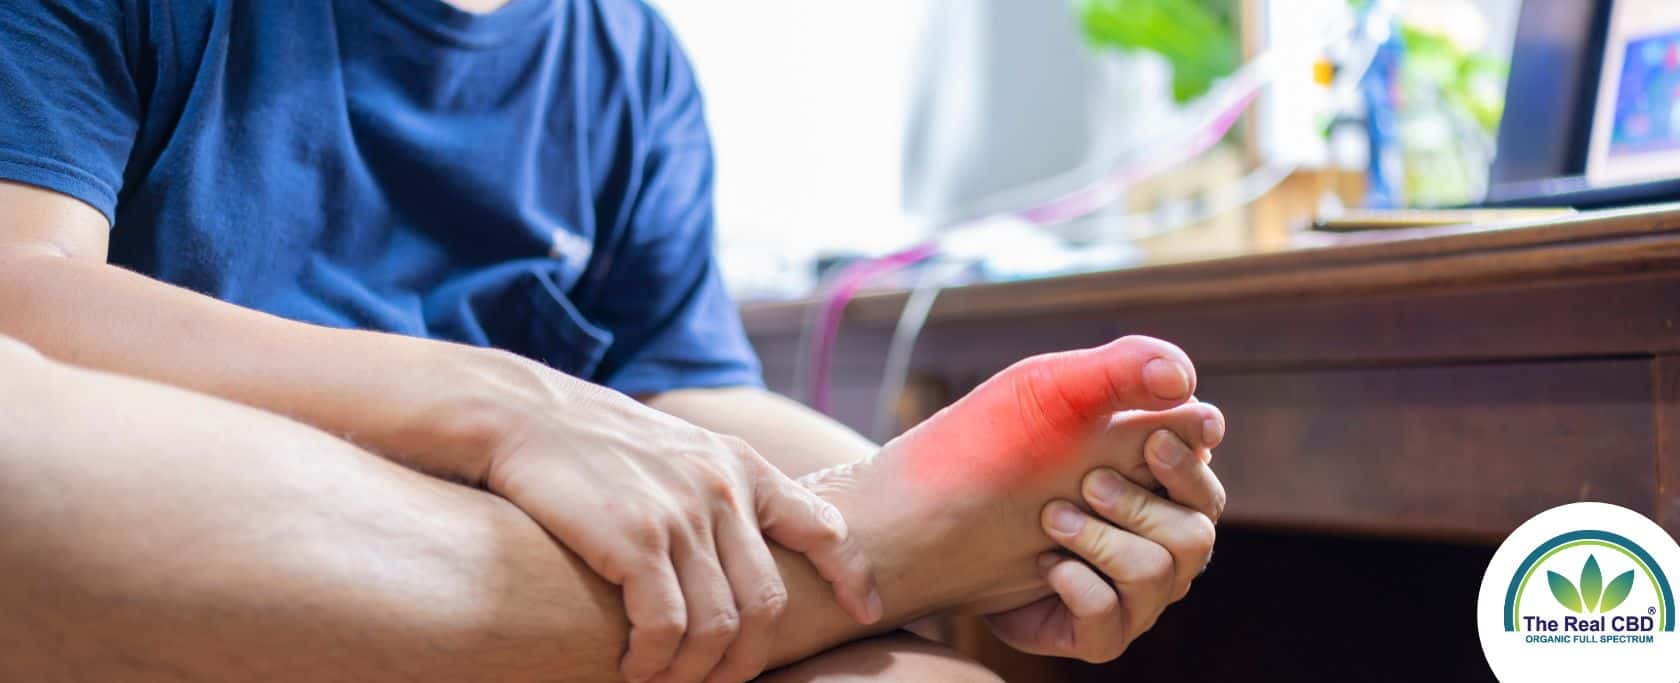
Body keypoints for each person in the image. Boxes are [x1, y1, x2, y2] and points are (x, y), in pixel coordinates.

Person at [0, 1, 1228, 681]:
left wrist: (999, 510)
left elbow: (687, 391)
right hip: (226, 582)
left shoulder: (626, 57)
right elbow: (20, 293)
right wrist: (500, 402)